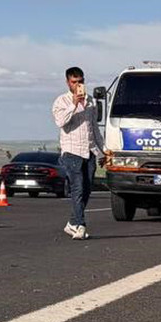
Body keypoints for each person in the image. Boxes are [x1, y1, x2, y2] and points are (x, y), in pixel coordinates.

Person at [52, 66, 105, 239]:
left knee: (87, 188)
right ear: (68, 82)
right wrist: (74, 104)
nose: (78, 85)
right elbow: (61, 122)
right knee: (77, 187)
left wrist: (102, 151)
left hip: (89, 150)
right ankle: (80, 225)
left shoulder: (91, 102)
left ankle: (72, 223)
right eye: (74, 82)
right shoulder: (61, 101)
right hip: (71, 151)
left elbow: (94, 128)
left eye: (80, 81)